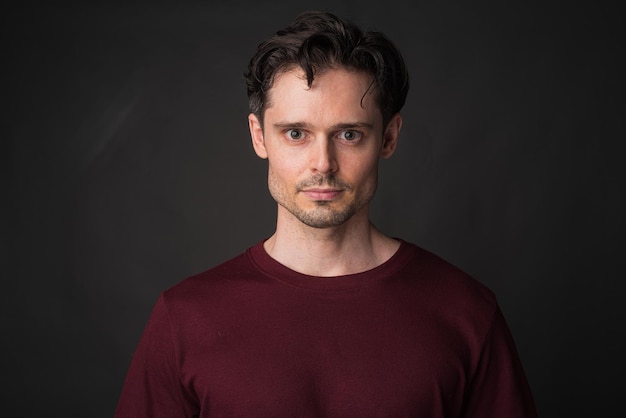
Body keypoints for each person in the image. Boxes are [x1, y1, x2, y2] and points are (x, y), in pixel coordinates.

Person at [114, 11, 537, 417]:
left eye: (349, 134)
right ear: (259, 137)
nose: (323, 163)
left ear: (388, 138)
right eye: (296, 133)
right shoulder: (185, 318)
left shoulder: (466, 313)